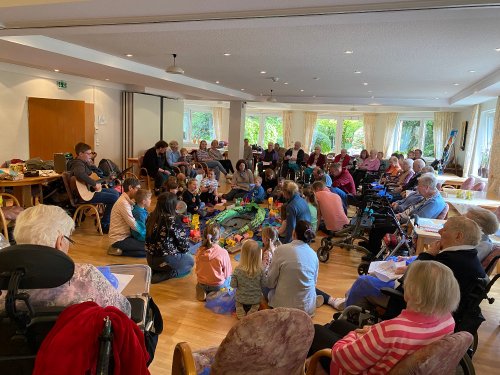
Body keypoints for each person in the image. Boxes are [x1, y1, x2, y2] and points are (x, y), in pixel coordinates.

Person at [309, 260, 460, 374]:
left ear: (412, 291)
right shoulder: (448, 321)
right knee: (338, 325)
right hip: (395, 355)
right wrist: (372, 333)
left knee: (315, 330)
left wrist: (354, 335)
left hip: (357, 369)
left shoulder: (392, 330)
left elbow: (343, 358)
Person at [0, 205, 131, 316]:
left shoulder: (5, 280)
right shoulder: (85, 275)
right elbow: (124, 311)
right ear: (60, 242)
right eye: (68, 238)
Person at [363, 173, 446, 256]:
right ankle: (372, 248)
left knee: (378, 225)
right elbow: (412, 209)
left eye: (419, 185)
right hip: (403, 218)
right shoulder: (430, 196)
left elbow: (417, 219)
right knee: (377, 218)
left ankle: (373, 253)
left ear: (427, 188)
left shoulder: (434, 202)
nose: (417, 187)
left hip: (408, 227)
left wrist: (400, 217)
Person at [265, 220, 319, 316]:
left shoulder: (281, 250)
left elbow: (270, 283)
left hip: (285, 308)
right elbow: (314, 282)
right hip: (307, 309)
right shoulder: (314, 254)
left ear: (294, 233)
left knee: (261, 284)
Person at [67, 142, 119, 233]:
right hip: (82, 195)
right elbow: (79, 173)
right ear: (80, 154)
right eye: (88, 153)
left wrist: (106, 178)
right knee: (114, 197)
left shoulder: (83, 163)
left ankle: (104, 220)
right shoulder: (77, 163)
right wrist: (94, 184)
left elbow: (90, 178)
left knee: (115, 192)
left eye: (91, 153)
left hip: (88, 191)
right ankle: (104, 224)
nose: (90, 156)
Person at [145, 192, 194, 283]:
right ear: (171, 206)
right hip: (165, 260)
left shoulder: (150, 216)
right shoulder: (173, 221)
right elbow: (184, 247)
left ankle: (157, 270)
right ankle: (168, 274)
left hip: (149, 258)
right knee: (190, 261)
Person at [108, 177, 145, 257]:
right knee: (147, 250)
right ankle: (116, 250)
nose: (139, 192)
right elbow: (132, 223)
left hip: (127, 236)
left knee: (150, 247)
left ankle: (121, 249)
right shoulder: (123, 202)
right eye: (137, 189)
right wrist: (145, 234)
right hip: (119, 239)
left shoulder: (127, 200)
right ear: (130, 188)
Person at [195, 223, 233, 301]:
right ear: (219, 237)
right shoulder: (223, 252)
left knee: (200, 283)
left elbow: (198, 269)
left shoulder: (199, 251)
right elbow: (227, 274)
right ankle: (215, 294)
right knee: (230, 281)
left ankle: (203, 290)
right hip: (217, 285)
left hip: (202, 283)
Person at [231, 239, 264, 319]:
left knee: (237, 299)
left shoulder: (237, 270)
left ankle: (239, 307)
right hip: (255, 298)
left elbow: (233, 285)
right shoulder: (261, 271)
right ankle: (254, 308)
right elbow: (263, 285)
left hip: (241, 298)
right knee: (258, 301)